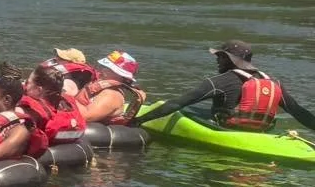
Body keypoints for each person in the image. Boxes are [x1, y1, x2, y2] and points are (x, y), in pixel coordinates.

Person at [135, 40, 315, 133]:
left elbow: (178, 103)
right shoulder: (274, 83)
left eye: (220, 56)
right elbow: (299, 112)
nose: (217, 60)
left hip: (226, 129)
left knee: (181, 110)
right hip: (261, 130)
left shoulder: (221, 81)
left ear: (229, 59)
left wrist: (138, 121)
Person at [18, 63, 89, 157]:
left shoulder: (30, 110)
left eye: (27, 82)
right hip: (71, 138)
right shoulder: (68, 101)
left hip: (42, 144)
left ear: (39, 90)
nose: (25, 85)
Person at [75, 50, 146, 125]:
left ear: (120, 75)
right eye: (102, 66)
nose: (101, 70)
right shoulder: (104, 89)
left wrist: (67, 96)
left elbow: (86, 116)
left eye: (107, 68)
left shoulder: (112, 95)